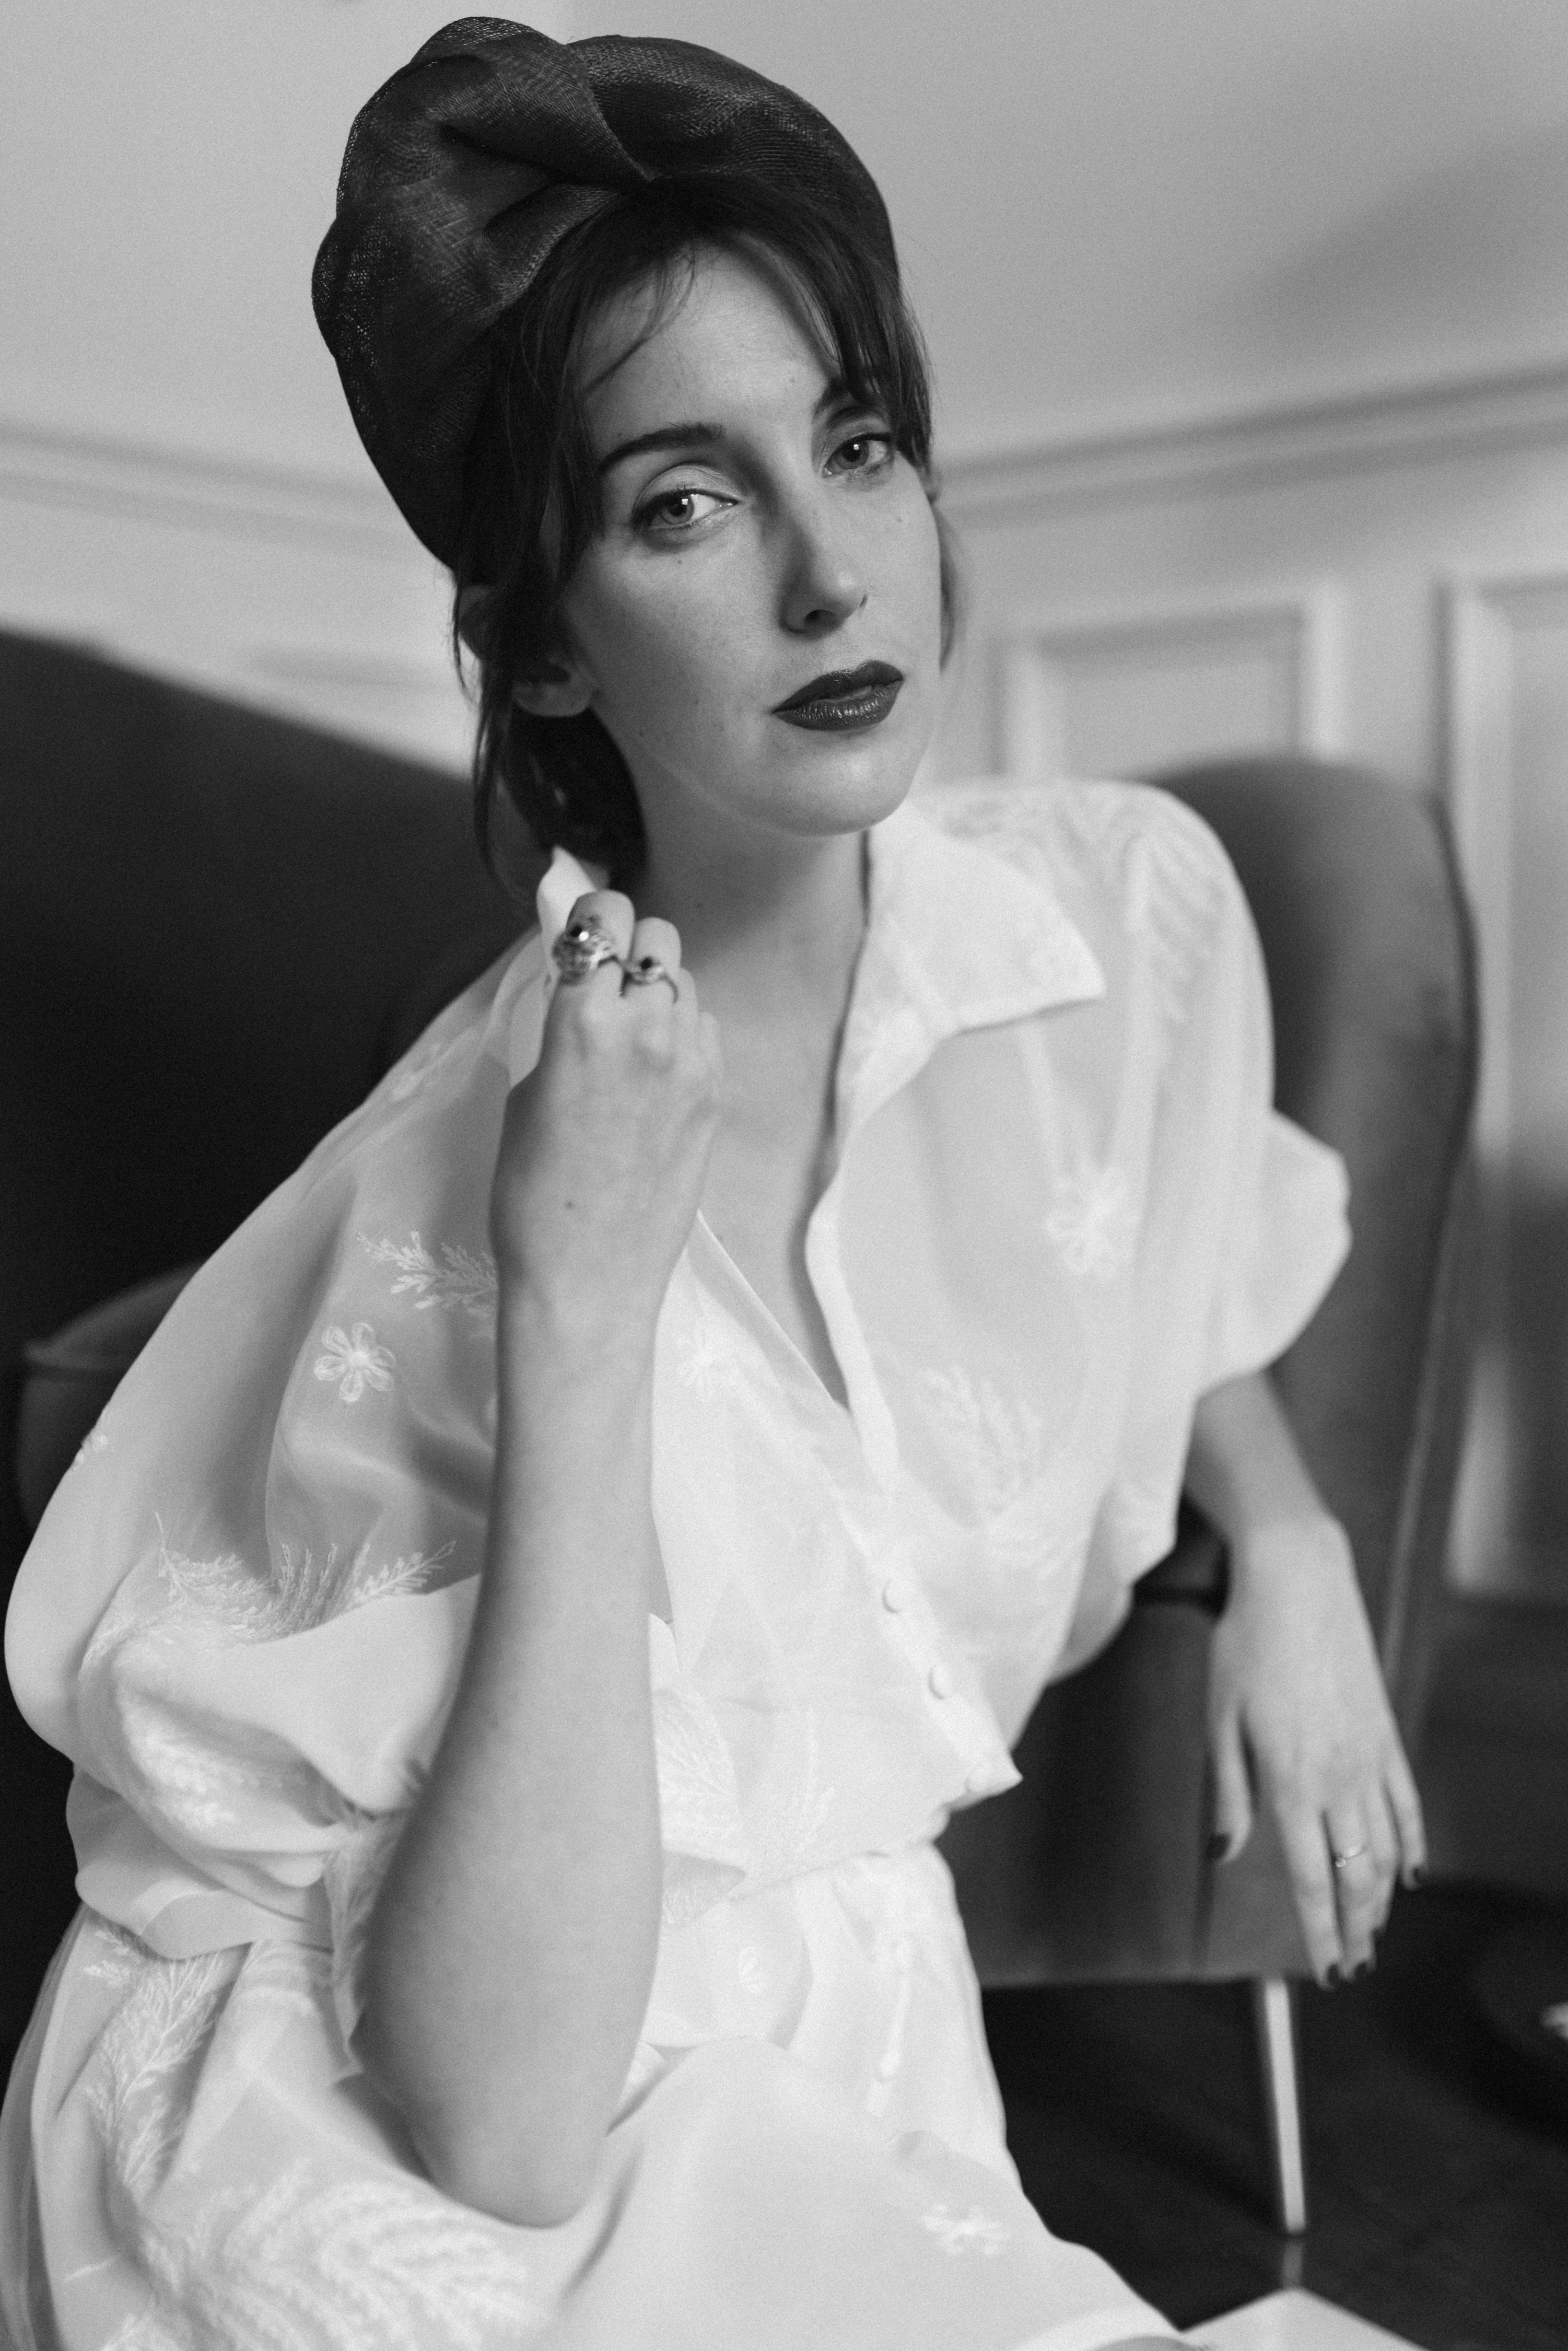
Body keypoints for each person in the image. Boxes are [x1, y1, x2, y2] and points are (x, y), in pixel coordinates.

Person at [0, 21, 1425, 2349]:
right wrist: (579, 1303)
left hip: (830, 2056)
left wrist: (1284, 1546)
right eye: (686, 503)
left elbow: (1168, 1266)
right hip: (415, 2096)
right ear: (546, 647)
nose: (829, 573)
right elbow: (496, 2122)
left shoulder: (1119, 924)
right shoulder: (476, 1185)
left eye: (854, 446)